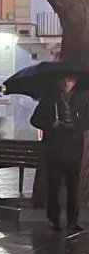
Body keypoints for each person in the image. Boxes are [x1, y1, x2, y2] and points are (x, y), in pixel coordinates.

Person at [30, 76, 88, 231]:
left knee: (73, 187)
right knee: (54, 186)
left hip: (74, 148)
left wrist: (75, 125)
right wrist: (51, 124)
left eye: (70, 81)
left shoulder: (81, 98)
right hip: (55, 148)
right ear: (58, 82)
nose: (67, 84)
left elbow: (86, 120)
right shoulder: (49, 99)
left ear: (75, 82)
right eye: (64, 80)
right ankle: (54, 219)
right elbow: (35, 120)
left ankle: (72, 221)